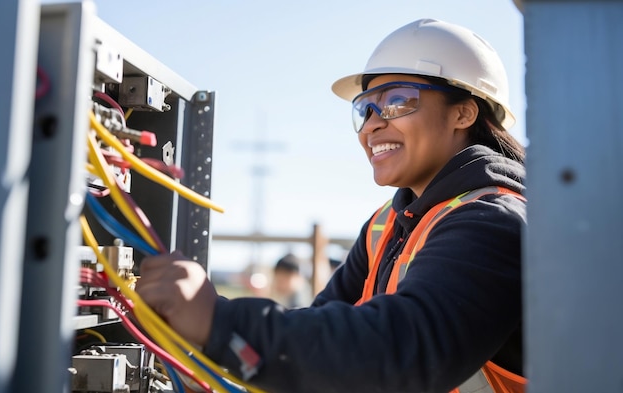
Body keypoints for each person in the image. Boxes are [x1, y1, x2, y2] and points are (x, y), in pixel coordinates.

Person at [135, 18, 527, 393]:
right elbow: (323, 341)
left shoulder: (494, 222)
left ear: (464, 113)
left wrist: (219, 323)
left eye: (396, 102)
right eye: (365, 109)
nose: (372, 124)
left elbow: (402, 351)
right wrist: (218, 366)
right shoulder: (385, 226)